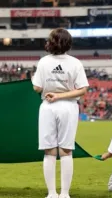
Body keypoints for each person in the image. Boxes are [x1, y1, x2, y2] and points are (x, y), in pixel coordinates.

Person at [32, 28, 89, 198]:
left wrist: (49, 91)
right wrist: (61, 95)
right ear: (68, 44)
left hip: (48, 106)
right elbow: (82, 89)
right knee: (66, 150)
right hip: (68, 107)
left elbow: (37, 88)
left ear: (51, 43)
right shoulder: (75, 62)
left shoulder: (43, 62)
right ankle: (64, 194)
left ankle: (51, 193)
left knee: (49, 150)